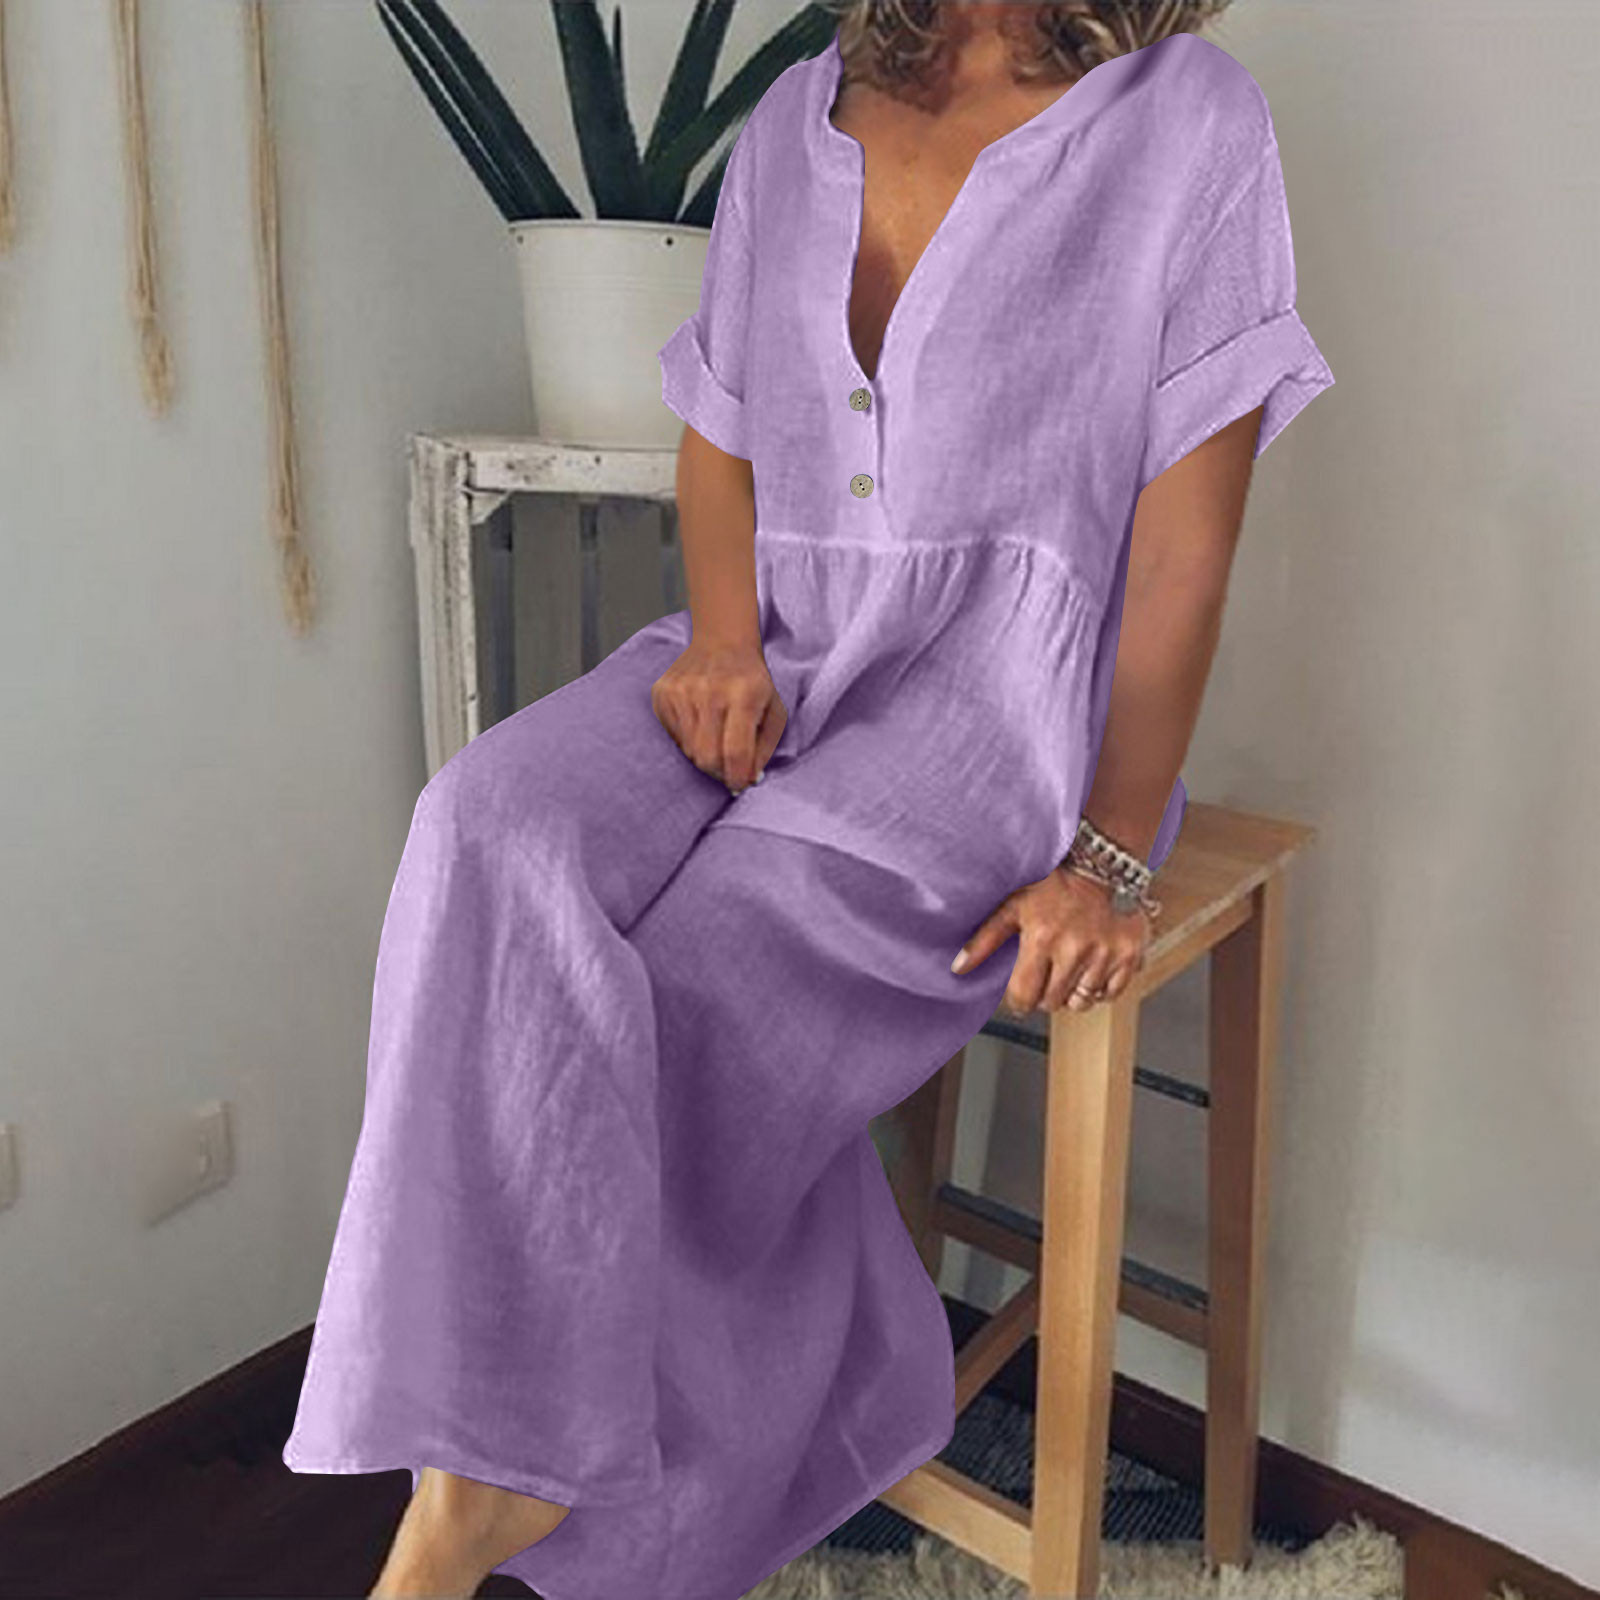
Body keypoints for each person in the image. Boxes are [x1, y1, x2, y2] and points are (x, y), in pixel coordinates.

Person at [281, 3, 1334, 1597]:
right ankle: (519, 1443)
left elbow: (1187, 551)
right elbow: (720, 433)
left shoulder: (1189, 120)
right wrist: (720, 639)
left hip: (991, 717)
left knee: (701, 973)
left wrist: (1111, 854)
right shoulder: (796, 114)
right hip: (772, 642)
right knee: (483, 829)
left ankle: (494, 1496)